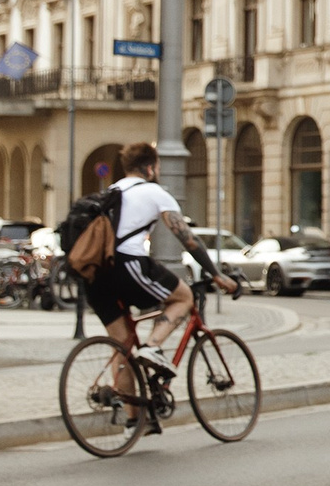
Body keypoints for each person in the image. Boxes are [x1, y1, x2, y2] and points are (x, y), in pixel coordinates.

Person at [81, 141, 238, 398]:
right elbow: (188, 239)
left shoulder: (111, 191)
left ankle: (134, 420)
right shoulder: (155, 192)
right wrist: (215, 274)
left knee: (122, 347)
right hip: (128, 263)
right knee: (184, 297)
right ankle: (153, 347)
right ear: (150, 168)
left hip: (96, 276)